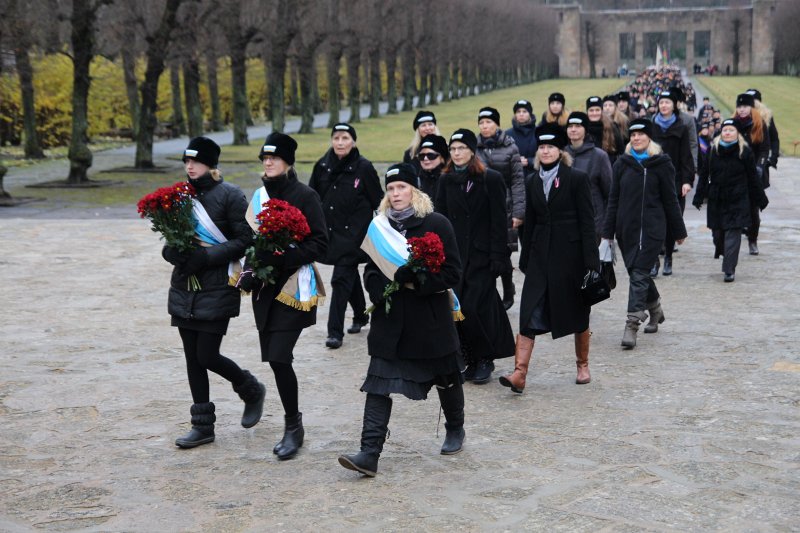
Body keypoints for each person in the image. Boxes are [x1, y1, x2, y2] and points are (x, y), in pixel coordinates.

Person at [338, 163, 466, 477]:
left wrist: (417, 279)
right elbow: (368, 270)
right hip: (390, 320)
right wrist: (379, 289)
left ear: (415, 190)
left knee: (447, 377)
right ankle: (369, 453)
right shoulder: (378, 227)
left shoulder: (437, 223)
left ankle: (455, 427)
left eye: (402, 187)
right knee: (378, 384)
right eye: (391, 188)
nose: (396, 194)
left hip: (430, 320)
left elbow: (452, 273)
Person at [163, 136, 266, 449]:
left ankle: (250, 388)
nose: (190, 166)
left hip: (218, 285)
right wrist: (174, 254)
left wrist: (206, 257)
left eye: (196, 161)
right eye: (187, 161)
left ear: (212, 164)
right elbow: (170, 239)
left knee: (206, 354)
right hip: (184, 286)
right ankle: (202, 426)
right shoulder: (179, 196)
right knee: (192, 359)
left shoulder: (231, 195)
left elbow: (244, 239)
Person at [235, 133, 328, 460]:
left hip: (293, 286)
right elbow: (249, 240)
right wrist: (250, 268)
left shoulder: (306, 195)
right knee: (274, 358)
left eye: (274, 157)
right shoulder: (259, 196)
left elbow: (320, 243)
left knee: (279, 356)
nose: (268, 162)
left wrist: (284, 256)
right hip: (265, 289)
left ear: (288, 160)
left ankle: (293, 426)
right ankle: (293, 424)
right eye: (264, 158)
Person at [499, 124, 600, 392]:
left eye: (550, 147)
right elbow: (530, 222)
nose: (545, 151)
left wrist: (592, 262)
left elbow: (588, 222)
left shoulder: (576, 179)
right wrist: (526, 256)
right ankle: (519, 373)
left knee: (578, 310)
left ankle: (582, 364)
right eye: (542, 147)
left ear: (560, 151)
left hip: (571, 257)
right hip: (540, 256)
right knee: (528, 310)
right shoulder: (532, 180)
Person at [435, 129, 515, 384]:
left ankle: (485, 358)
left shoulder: (489, 179)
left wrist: (499, 257)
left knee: (474, 307)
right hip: (455, 256)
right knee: (457, 308)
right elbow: (441, 217)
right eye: (453, 149)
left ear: (472, 150)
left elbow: (498, 220)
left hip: (482, 255)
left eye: (461, 148)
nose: (457, 153)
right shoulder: (446, 180)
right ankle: (469, 357)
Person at [601, 119, 687, 349]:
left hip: (652, 230)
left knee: (639, 273)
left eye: (640, 134)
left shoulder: (661, 164)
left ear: (649, 137)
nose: (636, 138)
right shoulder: (622, 164)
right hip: (626, 230)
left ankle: (632, 324)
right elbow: (613, 200)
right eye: (633, 134)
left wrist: (679, 230)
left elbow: (670, 199)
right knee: (637, 274)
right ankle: (656, 310)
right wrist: (607, 232)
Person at [309, 123, 383, 349]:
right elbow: (312, 198)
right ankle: (361, 316)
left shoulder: (364, 168)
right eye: (336, 138)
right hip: (330, 234)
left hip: (354, 236)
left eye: (345, 138)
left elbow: (378, 201)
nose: (340, 142)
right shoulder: (322, 166)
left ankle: (335, 332)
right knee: (347, 276)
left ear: (354, 141)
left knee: (340, 279)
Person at [692, 119, 768, 282]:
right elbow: (704, 175)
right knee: (718, 235)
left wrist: (760, 199)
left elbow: (753, 177)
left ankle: (729, 269)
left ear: (737, 133)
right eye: (725, 130)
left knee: (733, 233)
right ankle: (725, 253)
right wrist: (699, 196)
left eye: (731, 130)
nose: (727, 133)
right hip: (717, 198)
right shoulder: (713, 151)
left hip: (738, 198)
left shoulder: (745, 152)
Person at [475, 106, 525, 311]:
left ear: (496, 124)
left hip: (505, 205)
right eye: (481, 122)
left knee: (503, 250)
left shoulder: (510, 148)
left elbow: (517, 181)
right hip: (481, 206)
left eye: (488, 122)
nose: (485, 126)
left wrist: (519, 212)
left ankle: (508, 288)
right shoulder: (475, 148)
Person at [649, 89, 695, 277]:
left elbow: (686, 156)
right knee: (652, 222)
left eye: (667, 103)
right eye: (661, 103)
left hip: (674, 180)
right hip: (653, 180)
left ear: (674, 105)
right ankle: (653, 261)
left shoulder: (681, 126)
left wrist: (687, 180)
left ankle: (668, 256)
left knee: (669, 222)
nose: (664, 106)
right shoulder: (651, 126)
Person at [565, 111, 612, 243]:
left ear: (585, 130)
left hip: (594, 222)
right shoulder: (560, 155)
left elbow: (609, 192)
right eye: (570, 126)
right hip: (567, 223)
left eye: (578, 126)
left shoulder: (599, 156)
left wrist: (606, 226)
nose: (573, 129)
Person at [736, 91, 773, 256]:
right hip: (737, 173)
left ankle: (752, 240)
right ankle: (733, 238)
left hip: (755, 172)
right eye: (740, 107)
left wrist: (760, 166)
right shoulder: (733, 124)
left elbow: (765, 149)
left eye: (745, 107)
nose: (742, 110)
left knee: (753, 209)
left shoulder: (759, 124)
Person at [585, 96, 624, 166]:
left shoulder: (612, 127)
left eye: (597, 110)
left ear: (602, 111)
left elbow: (621, 151)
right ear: (587, 112)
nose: (594, 113)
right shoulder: (582, 128)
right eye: (591, 110)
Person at [506, 99, 537, 173]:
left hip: (535, 176)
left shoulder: (539, 132)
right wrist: (515, 161)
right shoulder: (507, 134)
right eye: (518, 112)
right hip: (514, 176)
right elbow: (502, 157)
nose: (521, 114)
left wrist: (528, 161)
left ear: (530, 114)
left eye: (524, 111)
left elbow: (545, 154)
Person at [416, 134, 449, 203]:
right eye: (421, 156)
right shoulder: (416, 181)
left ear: (442, 158)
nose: (425, 159)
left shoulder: (450, 179)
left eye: (431, 155)